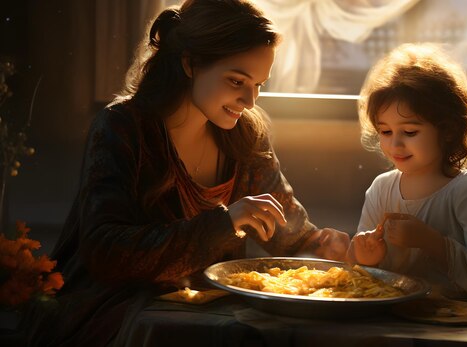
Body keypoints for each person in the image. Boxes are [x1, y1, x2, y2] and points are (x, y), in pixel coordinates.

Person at [26, 0, 349, 345]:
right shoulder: (122, 126)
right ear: (190, 64)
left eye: (259, 85)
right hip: (113, 305)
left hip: (205, 305)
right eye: (237, 80)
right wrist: (223, 224)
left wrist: (323, 245)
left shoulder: (245, 136)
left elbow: (290, 233)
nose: (250, 100)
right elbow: (105, 252)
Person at [346, 43, 467, 298]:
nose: (395, 144)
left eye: (410, 132)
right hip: (393, 322)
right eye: (385, 131)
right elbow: (362, 277)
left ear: (449, 129)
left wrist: (432, 242)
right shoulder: (381, 189)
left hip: (456, 324)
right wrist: (366, 259)